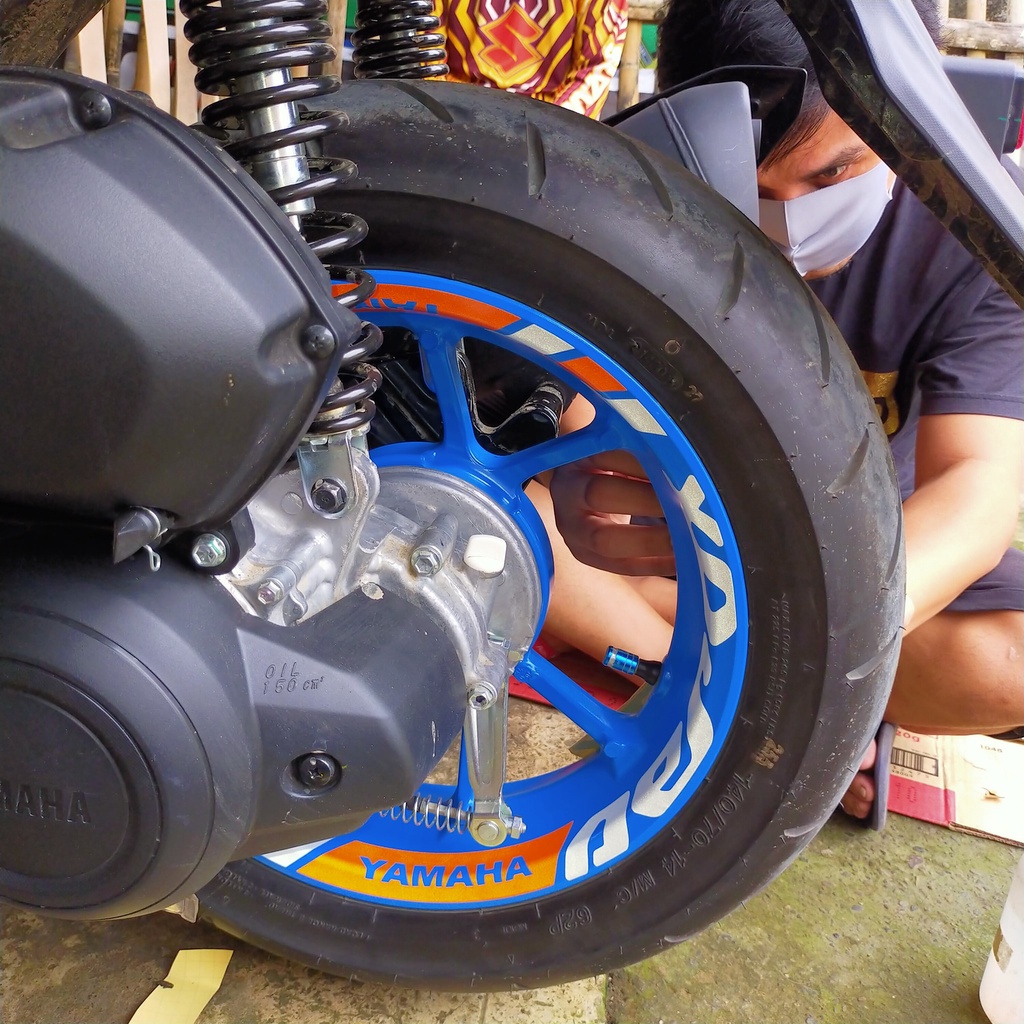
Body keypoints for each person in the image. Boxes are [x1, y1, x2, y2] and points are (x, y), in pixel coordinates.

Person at [545, 0, 1024, 824]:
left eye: (832, 174)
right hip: (662, 536)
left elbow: (976, 490)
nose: (790, 222)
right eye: (755, 187)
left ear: (915, 110)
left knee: (1009, 659)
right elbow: (571, 427)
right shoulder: (651, 188)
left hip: (860, 560)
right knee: (497, 525)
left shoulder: (977, 221)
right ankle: (724, 687)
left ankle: (727, 679)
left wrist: (831, 633)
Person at [432, 0, 628, 117]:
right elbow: (426, 57)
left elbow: (596, 67)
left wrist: (552, 133)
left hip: (549, 119)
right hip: (457, 112)